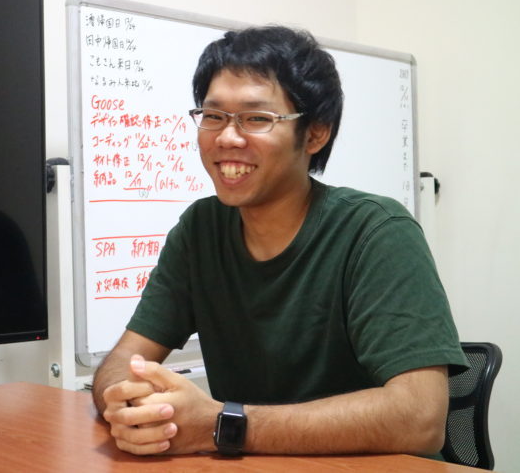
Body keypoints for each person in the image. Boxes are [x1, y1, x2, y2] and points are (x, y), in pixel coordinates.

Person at [91, 25, 468, 458]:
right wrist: (128, 403)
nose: (227, 137)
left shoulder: (376, 232)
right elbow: (123, 362)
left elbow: (420, 418)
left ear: (315, 133)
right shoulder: (200, 229)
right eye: (213, 116)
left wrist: (221, 425)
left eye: (256, 119)